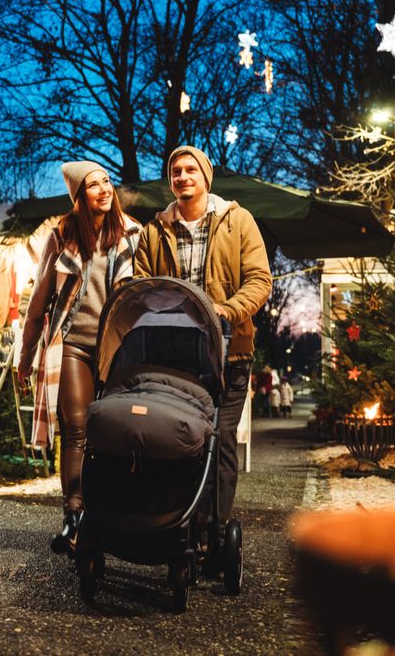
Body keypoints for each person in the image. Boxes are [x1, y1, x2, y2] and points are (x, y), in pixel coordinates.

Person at [133, 145, 272, 533]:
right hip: (174, 355)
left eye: (190, 169)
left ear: (205, 177)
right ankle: (170, 520)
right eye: (176, 171)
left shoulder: (237, 221)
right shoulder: (154, 231)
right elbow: (140, 285)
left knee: (221, 438)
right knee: (173, 435)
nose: (182, 176)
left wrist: (226, 310)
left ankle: (213, 528)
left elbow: (260, 280)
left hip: (230, 353)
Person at [18, 161, 140, 553]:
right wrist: (26, 354)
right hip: (71, 343)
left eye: (106, 181)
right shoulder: (62, 236)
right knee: (75, 430)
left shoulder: (132, 234)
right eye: (93, 185)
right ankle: (74, 518)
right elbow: (40, 301)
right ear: (78, 196)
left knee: (114, 433)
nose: (104, 189)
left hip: (116, 347)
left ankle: (113, 514)